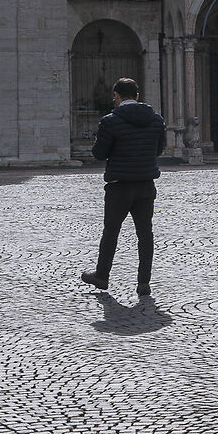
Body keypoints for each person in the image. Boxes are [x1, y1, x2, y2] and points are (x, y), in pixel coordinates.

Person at [80, 78, 165, 298]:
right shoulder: (156, 120)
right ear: (137, 96)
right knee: (145, 234)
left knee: (111, 232)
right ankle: (143, 283)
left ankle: (102, 276)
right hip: (146, 184)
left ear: (117, 96)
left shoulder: (110, 121)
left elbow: (99, 153)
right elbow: (159, 149)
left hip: (119, 186)